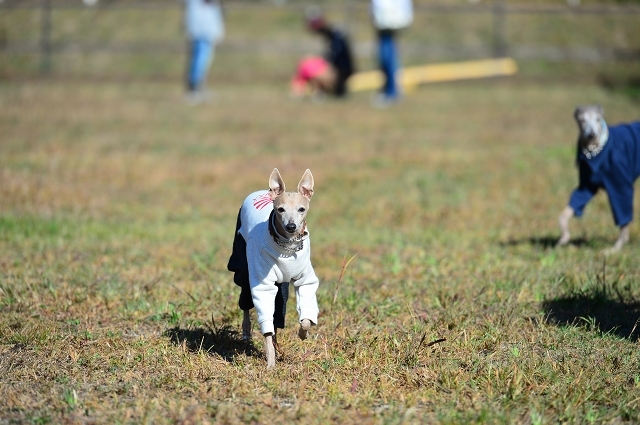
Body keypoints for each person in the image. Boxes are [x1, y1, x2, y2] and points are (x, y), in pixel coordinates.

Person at [290, 10, 355, 99]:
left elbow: (336, 57)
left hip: (338, 73)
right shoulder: (327, 35)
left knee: (305, 65)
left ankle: (301, 92)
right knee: (305, 64)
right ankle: (308, 91)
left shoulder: (333, 34)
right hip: (336, 72)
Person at [370, 0, 413, 107]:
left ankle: (392, 91)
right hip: (387, 14)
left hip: (387, 14)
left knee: (387, 54)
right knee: (388, 51)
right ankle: (390, 89)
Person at [184, 0, 225, 103]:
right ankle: (194, 88)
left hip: (205, 26)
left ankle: (199, 87)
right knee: (199, 59)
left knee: (203, 59)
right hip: (201, 26)